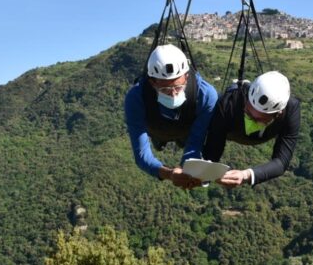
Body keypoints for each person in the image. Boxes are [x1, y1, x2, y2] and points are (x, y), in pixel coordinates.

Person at [124, 44, 218, 189]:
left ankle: (174, 138)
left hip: (187, 129)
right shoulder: (136, 97)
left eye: (178, 88)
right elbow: (141, 154)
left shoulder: (206, 95)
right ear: (152, 82)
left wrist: (187, 170)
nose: (173, 94)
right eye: (165, 90)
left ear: (186, 77)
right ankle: (160, 139)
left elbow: (196, 140)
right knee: (158, 140)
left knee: (186, 141)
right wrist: (170, 174)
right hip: (157, 128)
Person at [204, 71, 300, 188]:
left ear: (278, 114)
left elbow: (281, 162)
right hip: (232, 126)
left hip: (262, 135)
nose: (251, 120)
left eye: (259, 119)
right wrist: (203, 175)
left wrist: (246, 175)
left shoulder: (290, 110)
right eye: (248, 112)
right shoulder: (229, 103)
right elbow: (213, 148)